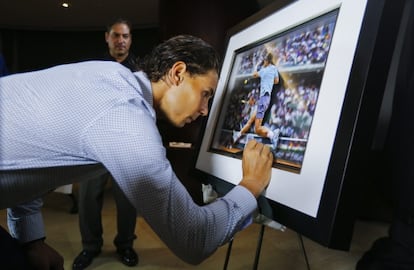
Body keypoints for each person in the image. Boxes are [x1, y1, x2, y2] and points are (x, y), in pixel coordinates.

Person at [0, 35, 273, 270]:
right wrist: (250, 185)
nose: (204, 110)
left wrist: (31, 240)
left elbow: (30, 151)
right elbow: (194, 239)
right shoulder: (124, 112)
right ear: (177, 73)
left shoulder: (106, 77)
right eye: (206, 94)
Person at [72, 18, 139, 270]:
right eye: (116, 36)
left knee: (127, 200)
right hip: (96, 143)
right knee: (88, 197)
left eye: (125, 36)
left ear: (130, 39)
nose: (121, 40)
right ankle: (90, 246)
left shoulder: (140, 70)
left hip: (126, 143)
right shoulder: (94, 68)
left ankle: (125, 245)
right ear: (107, 37)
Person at [233, 53, 280, 148]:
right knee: (250, 121)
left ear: (266, 61)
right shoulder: (273, 69)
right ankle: (237, 135)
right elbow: (276, 81)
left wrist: (256, 65)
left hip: (263, 99)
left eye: (264, 62)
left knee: (257, 129)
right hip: (265, 99)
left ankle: (273, 134)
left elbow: (254, 74)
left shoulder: (264, 70)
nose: (263, 63)